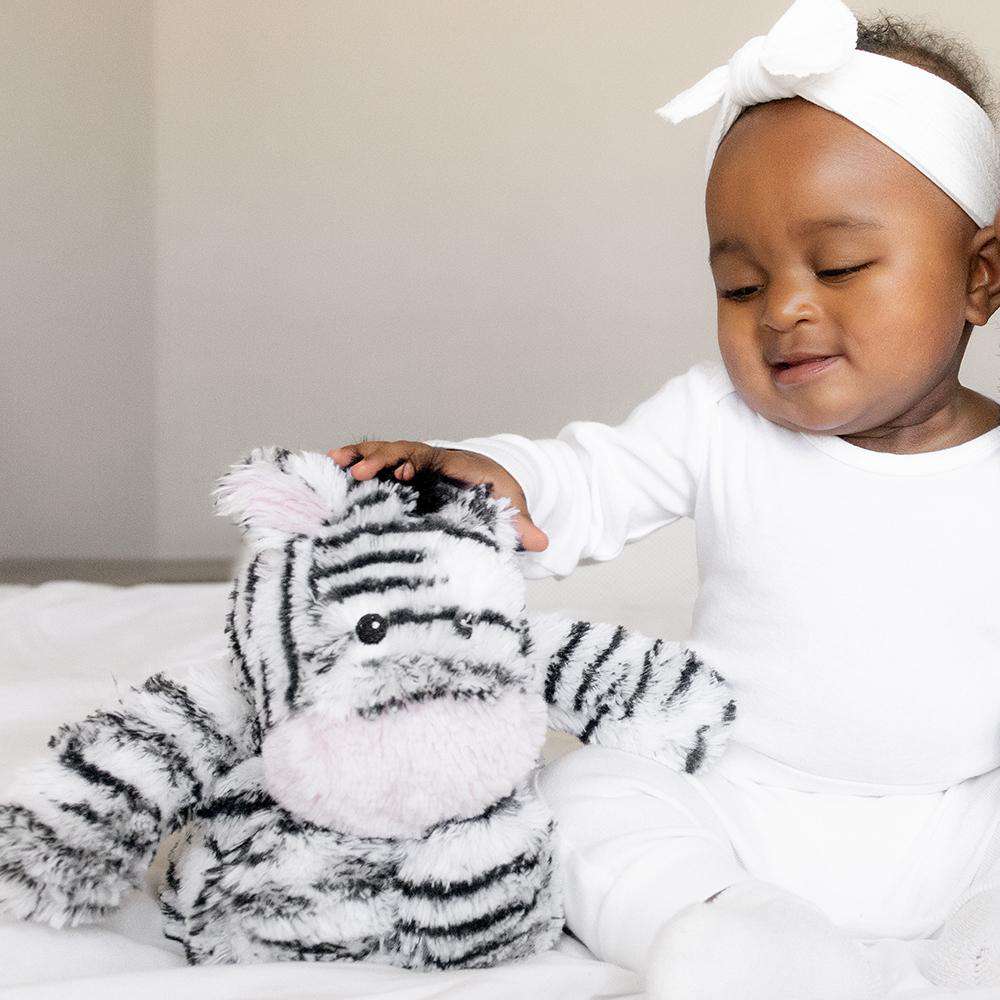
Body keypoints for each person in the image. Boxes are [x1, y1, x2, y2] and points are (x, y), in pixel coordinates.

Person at [329, 1, 1000, 996]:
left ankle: (970, 945)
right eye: (738, 284)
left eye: (842, 265)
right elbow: (588, 477)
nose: (785, 308)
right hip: (738, 798)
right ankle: (733, 931)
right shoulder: (715, 419)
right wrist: (491, 479)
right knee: (582, 793)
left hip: (959, 812)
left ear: (979, 277)